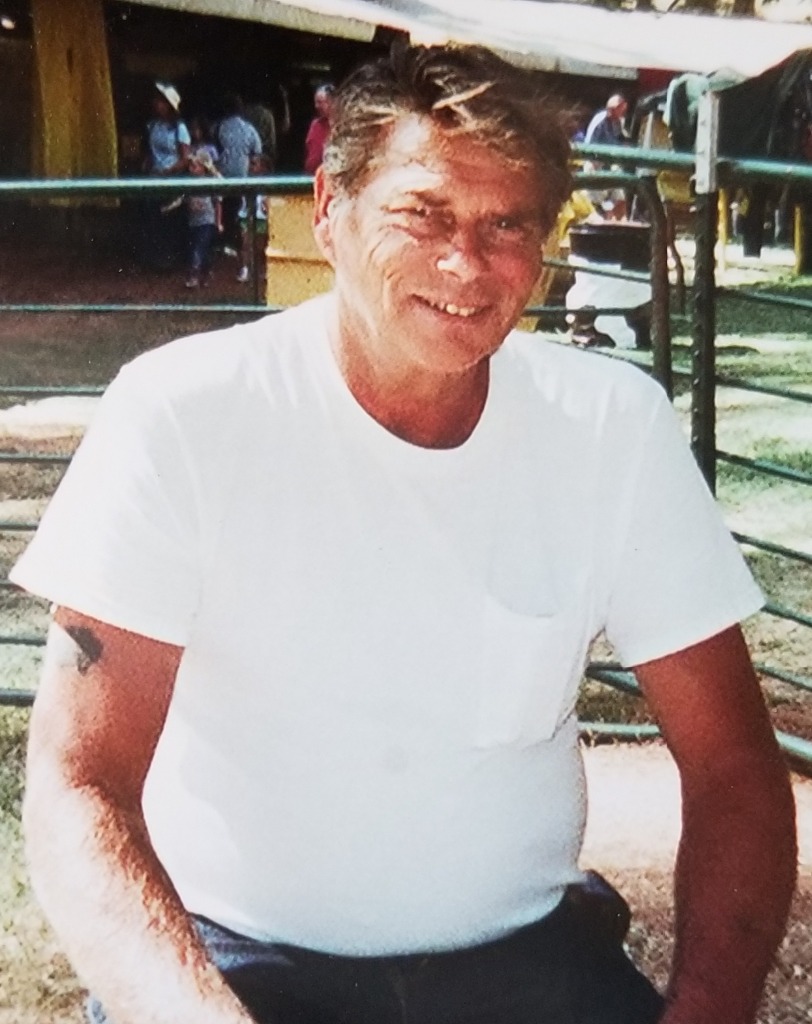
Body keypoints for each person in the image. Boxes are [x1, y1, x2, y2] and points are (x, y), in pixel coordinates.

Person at [15, 43, 796, 1024]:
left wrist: (707, 1008)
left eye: (505, 223)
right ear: (330, 212)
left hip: (522, 958)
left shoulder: (609, 426)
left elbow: (733, 766)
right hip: (234, 957)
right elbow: (78, 784)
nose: (465, 264)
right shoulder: (184, 413)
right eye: (422, 214)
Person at [141, 81, 191, 271]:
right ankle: (157, 257)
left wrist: (169, 171)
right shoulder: (153, 126)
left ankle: (172, 258)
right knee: (154, 219)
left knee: (170, 219)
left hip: (172, 180)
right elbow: (149, 152)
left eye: (161, 101)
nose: (157, 104)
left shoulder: (180, 129)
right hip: (153, 178)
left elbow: (185, 158)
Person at [215, 92, 262, 283]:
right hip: (242, 180)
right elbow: (257, 153)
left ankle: (229, 246)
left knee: (226, 214)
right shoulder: (249, 129)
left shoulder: (219, 127)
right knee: (241, 219)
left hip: (222, 179)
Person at [184, 118, 223, 289]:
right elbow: (185, 199)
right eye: (191, 166)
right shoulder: (189, 183)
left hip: (207, 220)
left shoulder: (210, 183)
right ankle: (205, 273)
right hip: (194, 220)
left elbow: (217, 202)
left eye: (195, 166)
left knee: (199, 249)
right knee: (200, 248)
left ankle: (194, 276)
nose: (192, 169)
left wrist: (218, 222)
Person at [583, 93, 630, 220]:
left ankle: (618, 224)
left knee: (621, 198)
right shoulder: (600, 121)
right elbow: (588, 146)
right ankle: (601, 220)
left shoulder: (619, 122)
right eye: (609, 109)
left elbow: (622, 140)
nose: (610, 112)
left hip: (612, 164)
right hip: (595, 164)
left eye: (614, 109)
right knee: (597, 203)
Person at [303, 82, 335, 175]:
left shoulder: (344, 124)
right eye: (316, 102)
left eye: (320, 102)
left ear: (332, 102)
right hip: (314, 175)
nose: (316, 106)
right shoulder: (316, 125)